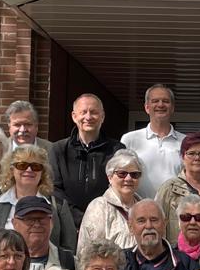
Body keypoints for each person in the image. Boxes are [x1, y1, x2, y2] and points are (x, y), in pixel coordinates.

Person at [0, 145, 79, 253]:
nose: (29, 170)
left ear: (42, 173)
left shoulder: (58, 206)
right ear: (12, 170)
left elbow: (69, 249)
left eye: (36, 166)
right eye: (22, 165)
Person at [51, 93, 120, 224]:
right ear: (74, 116)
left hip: (105, 221)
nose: (88, 117)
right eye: (83, 112)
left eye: (93, 112)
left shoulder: (116, 150)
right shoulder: (58, 149)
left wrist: (97, 216)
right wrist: (78, 218)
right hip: (67, 223)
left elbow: (119, 187)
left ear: (102, 116)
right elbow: (55, 189)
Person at [118, 199, 200, 270]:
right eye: (141, 221)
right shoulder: (119, 261)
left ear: (164, 224)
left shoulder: (187, 266)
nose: (148, 226)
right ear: (131, 227)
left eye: (154, 220)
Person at [121, 83, 185, 198]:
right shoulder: (129, 139)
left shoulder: (185, 142)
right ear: (146, 107)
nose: (160, 105)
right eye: (155, 101)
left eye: (165, 101)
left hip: (174, 211)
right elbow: (120, 176)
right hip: (138, 210)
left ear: (172, 108)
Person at [77, 149, 144, 255]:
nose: (128, 178)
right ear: (110, 177)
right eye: (122, 173)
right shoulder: (99, 207)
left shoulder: (145, 208)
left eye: (134, 174)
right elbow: (88, 253)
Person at [156, 132, 200, 235]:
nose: (197, 158)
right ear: (182, 157)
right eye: (191, 153)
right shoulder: (169, 189)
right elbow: (157, 224)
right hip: (178, 250)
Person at [10, 195, 75, 270]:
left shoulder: (70, 263)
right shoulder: (1, 264)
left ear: (51, 223)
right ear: (14, 223)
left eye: (42, 219)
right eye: (29, 219)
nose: (37, 225)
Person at [174, 194, 200, 262]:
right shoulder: (169, 255)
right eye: (186, 217)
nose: (192, 222)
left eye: (199, 217)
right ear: (179, 222)